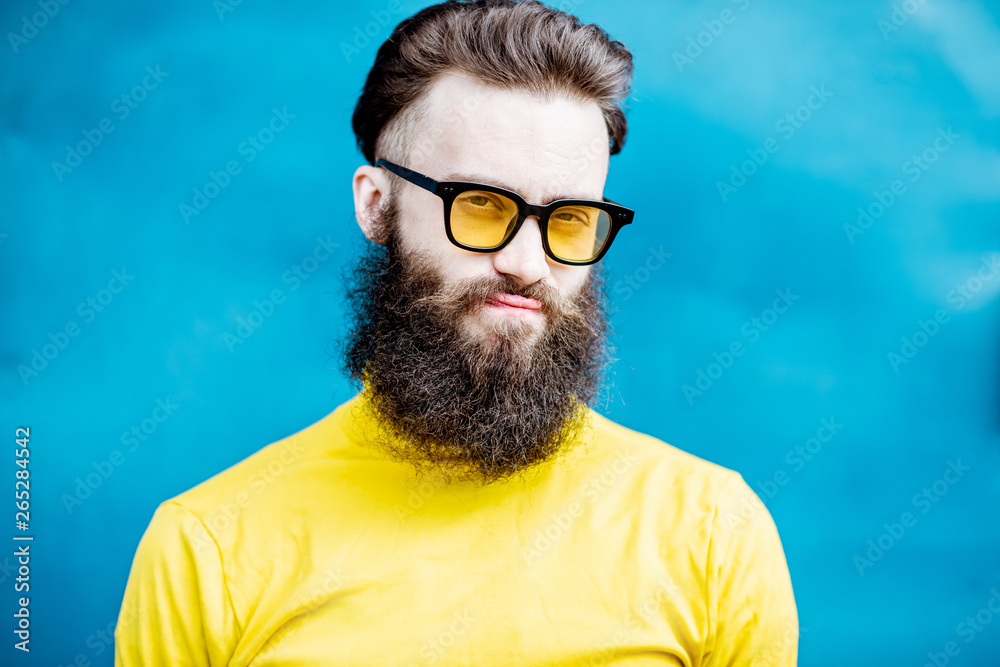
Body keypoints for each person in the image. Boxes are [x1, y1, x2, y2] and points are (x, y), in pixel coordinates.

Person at [115, 1, 798, 664]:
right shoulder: (206, 550)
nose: (527, 265)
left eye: (569, 221)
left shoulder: (714, 534)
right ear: (377, 205)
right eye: (479, 206)